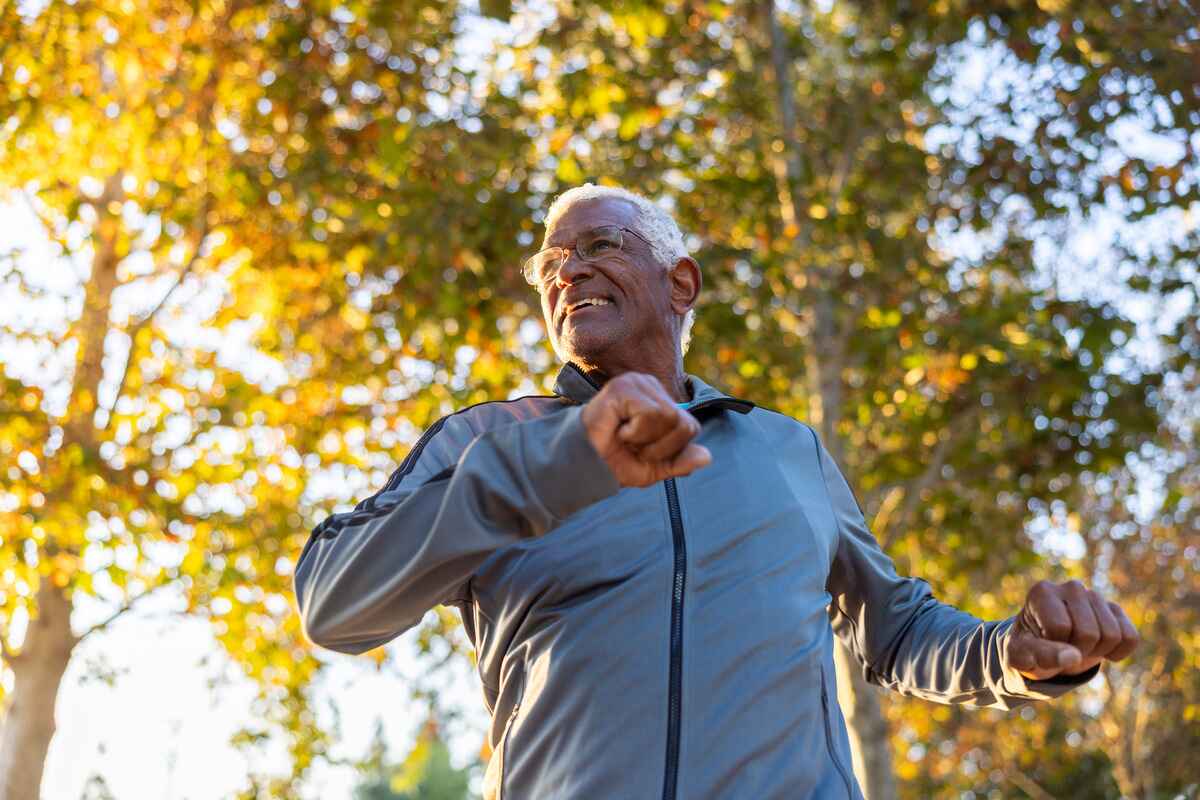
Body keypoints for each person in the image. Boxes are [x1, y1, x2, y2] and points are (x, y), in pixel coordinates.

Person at [293, 183, 1140, 799]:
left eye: (598, 246)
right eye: (550, 263)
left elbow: (899, 632)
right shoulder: (487, 441)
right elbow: (335, 602)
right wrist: (548, 466)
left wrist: (1011, 655)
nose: (566, 271)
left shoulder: (786, 450)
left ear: (681, 283)